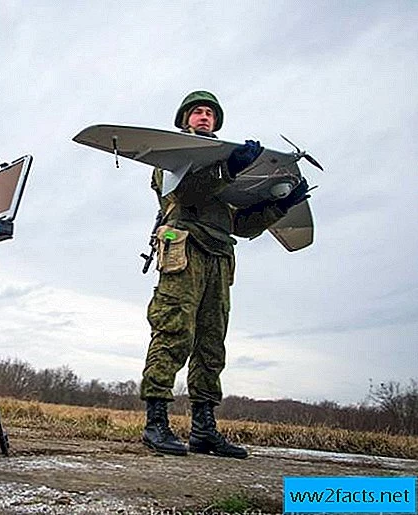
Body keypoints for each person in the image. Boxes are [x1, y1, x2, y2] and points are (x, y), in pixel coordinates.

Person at [141, 91, 310, 458]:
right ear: (185, 120)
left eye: (209, 113)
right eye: (197, 112)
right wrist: (227, 169)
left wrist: (279, 206)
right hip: (183, 248)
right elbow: (184, 197)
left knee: (212, 342)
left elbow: (242, 225)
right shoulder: (173, 159)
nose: (204, 117)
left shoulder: (233, 166)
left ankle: (204, 430)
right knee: (174, 330)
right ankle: (156, 423)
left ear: (217, 122)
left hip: (219, 255)